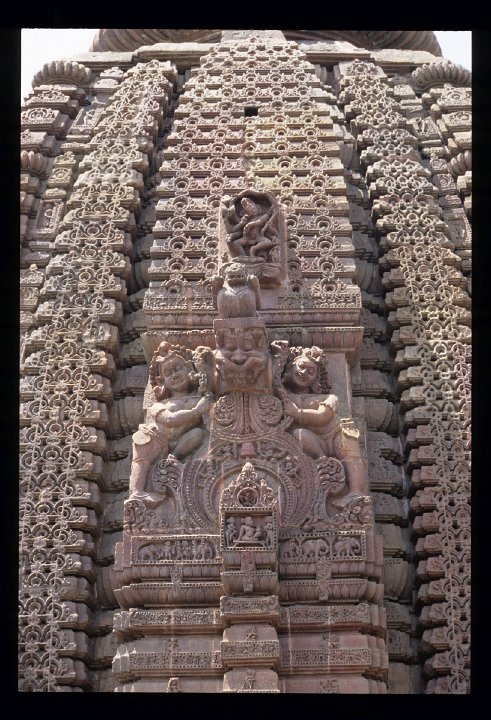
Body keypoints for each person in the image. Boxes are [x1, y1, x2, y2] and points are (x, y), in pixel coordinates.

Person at [128, 342, 212, 503]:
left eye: (178, 368)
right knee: (142, 460)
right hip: (153, 438)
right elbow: (169, 420)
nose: (174, 375)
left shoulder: (197, 398)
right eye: (168, 373)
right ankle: (137, 491)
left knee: (198, 433)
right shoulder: (160, 405)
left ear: (189, 368)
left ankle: (174, 458)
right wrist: (196, 411)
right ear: (161, 381)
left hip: (175, 444)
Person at [278, 347, 365, 496]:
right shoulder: (287, 397)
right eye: (301, 366)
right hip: (318, 441)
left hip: (337, 433)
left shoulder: (329, 398)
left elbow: (322, 416)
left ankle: (355, 492)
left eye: (311, 371)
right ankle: (322, 460)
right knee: (299, 434)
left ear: (317, 379)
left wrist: (297, 413)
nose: (304, 372)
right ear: (290, 368)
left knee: (350, 458)